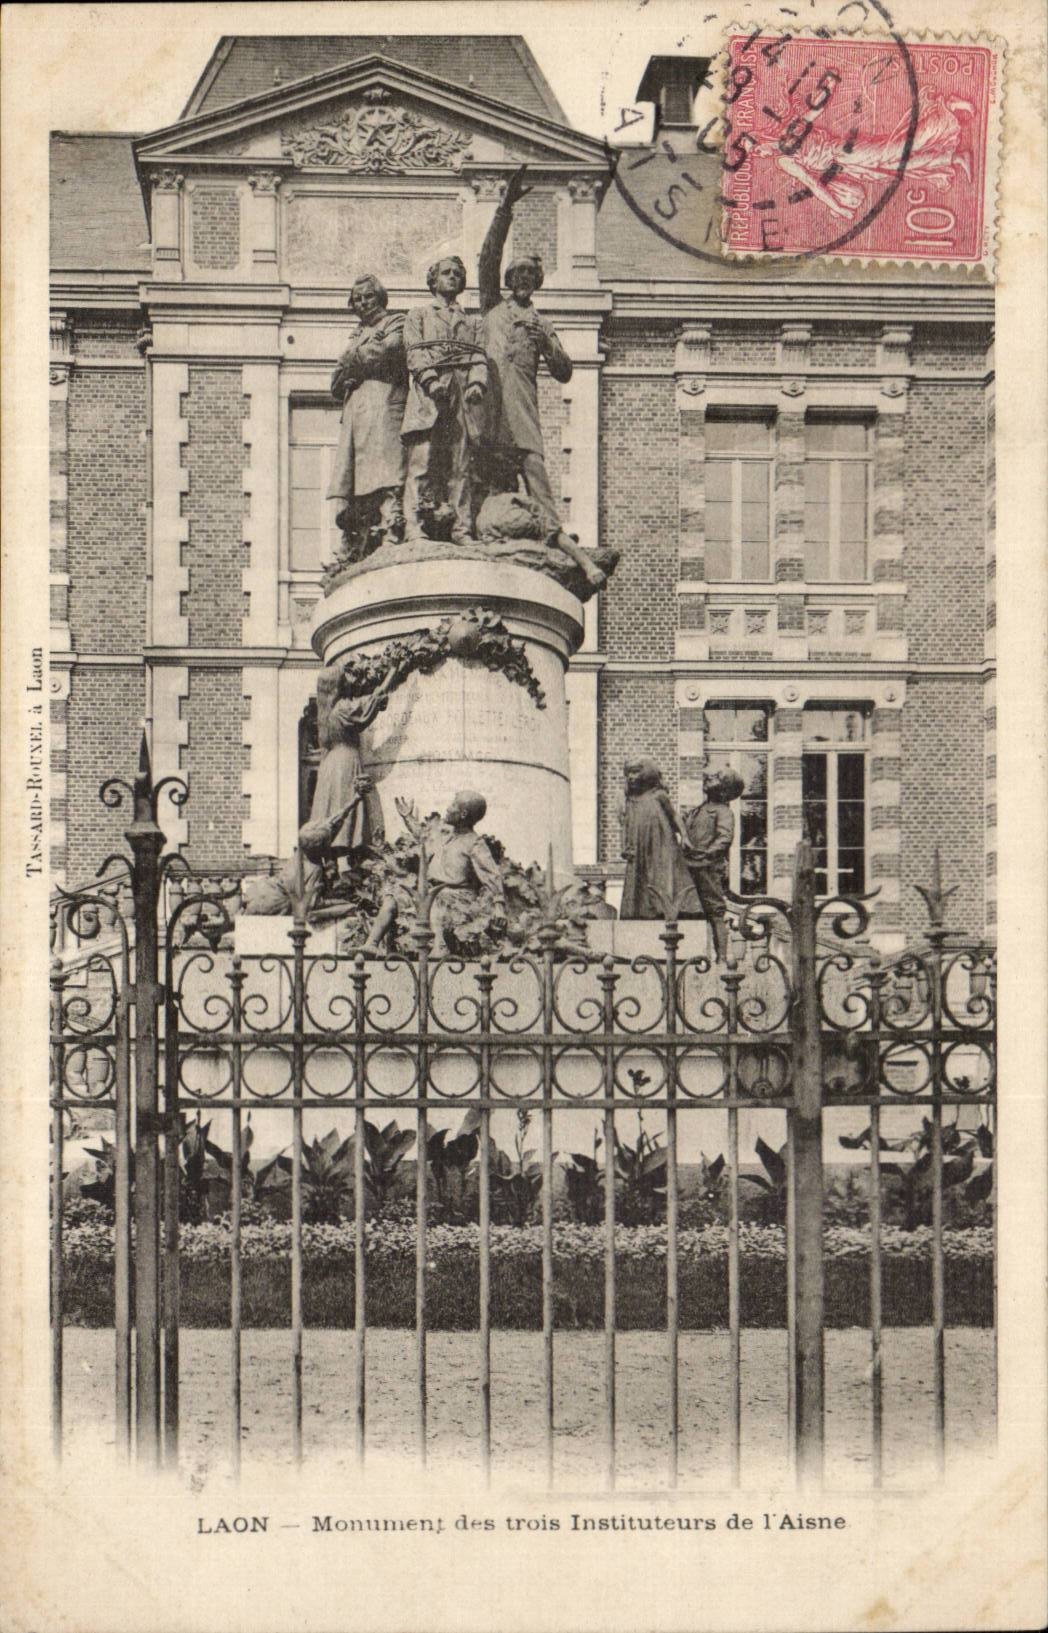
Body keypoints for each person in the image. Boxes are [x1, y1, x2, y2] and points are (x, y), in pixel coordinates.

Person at [477, 167, 605, 591]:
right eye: (518, 277)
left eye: (531, 278)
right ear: (509, 281)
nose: (524, 283)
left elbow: (566, 371)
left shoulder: (540, 322)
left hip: (524, 410)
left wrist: (548, 345)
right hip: (491, 407)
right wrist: (505, 209)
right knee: (485, 474)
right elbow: (488, 258)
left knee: (536, 474)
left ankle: (558, 541)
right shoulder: (492, 308)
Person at [401, 256, 488, 543]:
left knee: (460, 465)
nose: (452, 277)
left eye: (457, 274)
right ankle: (414, 527)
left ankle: (461, 529)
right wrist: (430, 380)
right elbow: (414, 352)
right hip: (428, 398)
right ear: (433, 280)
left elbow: (478, 355)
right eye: (446, 273)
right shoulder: (418, 315)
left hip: (461, 398)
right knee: (421, 463)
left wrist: (476, 382)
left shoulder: (473, 322)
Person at [326, 274, 408, 563]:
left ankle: (392, 527)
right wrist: (358, 362)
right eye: (357, 299)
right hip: (356, 416)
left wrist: (353, 362)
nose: (362, 303)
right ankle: (356, 540)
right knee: (357, 481)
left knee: (386, 472)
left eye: (368, 297)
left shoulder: (395, 322)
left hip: (383, 405)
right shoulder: (356, 334)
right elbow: (336, 383)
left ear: (380, 297)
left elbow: (391, 351)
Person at [365, 790, 505, 952]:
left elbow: (491, 874)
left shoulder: (474, 843)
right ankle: (371, 944)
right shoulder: (443, 834)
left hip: (457, 898)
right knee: (393, 899)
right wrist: (407, 817)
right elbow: (422, 835)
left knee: (437, 903)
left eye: (453, 805)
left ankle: (439, 951)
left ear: (463, 814)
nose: (447, 808)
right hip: (428, 893)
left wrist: (499, 904)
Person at [308, 660, 393, 869]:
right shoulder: (343, 708)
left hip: (330, 765)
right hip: (346, 761)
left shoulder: (325, 712)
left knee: (332, 809)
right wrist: (394, 672)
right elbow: (372, 703)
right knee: (347, 810)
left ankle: (332, 865)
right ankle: (349, 861)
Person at [619, 759, 697, 921]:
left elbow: (674, 816)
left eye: (636, 772)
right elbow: (625, 824)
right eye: (630, 773)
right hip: (638, 843)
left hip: (661, 841)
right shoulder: (630, 800)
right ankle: (641, 910)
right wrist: (623, 845)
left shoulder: (659, 795)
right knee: (640, 875)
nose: (632, 777)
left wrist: (684, 836)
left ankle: (665, 907)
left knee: (662, 872)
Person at [681, 769, 746, 963]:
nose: (710, 777)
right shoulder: (697, 810)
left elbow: (724, 839)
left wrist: (706, 854)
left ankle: (722, 958)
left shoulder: (723, 812)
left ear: (725, 791)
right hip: (687, 866)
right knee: (688, 909)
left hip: (707, 868)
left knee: (715, 911)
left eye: (717, 778)